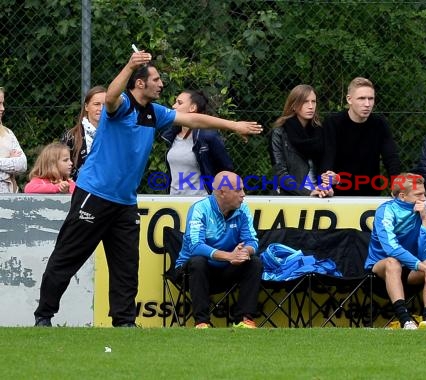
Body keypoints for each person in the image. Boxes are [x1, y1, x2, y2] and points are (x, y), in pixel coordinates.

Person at [33, 51, 262, 327]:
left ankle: (124, 322)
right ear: (139, 83)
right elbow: (111, 95)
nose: (161, 84)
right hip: (94, 196)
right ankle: (44, 316)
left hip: (125, 203)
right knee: (67, 257)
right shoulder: (122, 105)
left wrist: (233, 125)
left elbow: (195, 120)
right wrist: (130, 65)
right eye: (155, 79)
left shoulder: (156, 113)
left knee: (126, 266)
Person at [175, 171, 262, 328]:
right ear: (222, 192)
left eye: (243, 189)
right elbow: (196, 246)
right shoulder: (200, 209)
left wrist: (244, 252)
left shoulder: (243, 209)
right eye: (238, 190)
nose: (243, 195)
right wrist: (229, 256)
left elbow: (252, 241)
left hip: (227, 269)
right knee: (198, 261)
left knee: (254, 262)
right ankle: (201, 322)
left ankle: (243, 319)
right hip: (193, 274)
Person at [364, 173, 426, 329]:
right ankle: (406, 320)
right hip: (382, 268)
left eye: (424, 193)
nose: (424, 199)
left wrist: (425, 220)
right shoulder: (385, 210)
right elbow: (391, 249)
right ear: (402, 196)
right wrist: (423, 267)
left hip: (413, 269)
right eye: (419, 194)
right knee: (394, 262)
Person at [321, 77, 400, 196]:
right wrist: (326, 185)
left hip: (370, 192)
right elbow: (327, 157)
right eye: (362, 98)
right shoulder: (333, 123)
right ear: (349, 99)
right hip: (338, 194)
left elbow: (391, 157)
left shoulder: (379, 123)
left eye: (371, 99)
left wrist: (397, 186)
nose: (367, 104)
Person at [160, 89, 233, 195]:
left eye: (179, 103)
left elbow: (226, 169)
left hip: (201, 202)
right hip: (174, 202)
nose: (174, 106)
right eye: (175, 102)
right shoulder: (171, 136)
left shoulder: (208, 137)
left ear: (193, 108)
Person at [270, 84, 334, 197]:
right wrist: (308, 192)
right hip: (291, 196)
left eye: (313, 101)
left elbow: (327, 167)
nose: (311, 106)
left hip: (319, 194)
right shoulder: (280, 133)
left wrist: (326, 186)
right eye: (305, 102)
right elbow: (280, 175)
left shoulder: (321, 131)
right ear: (293, 105)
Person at [61, 86, 107, 180]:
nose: (101, 108)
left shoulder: (116, 135)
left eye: (105, 105)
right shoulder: (71, 136)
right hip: (77, 189)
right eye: (96, 104)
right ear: (86, 106)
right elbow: (60, 167)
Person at [0, 87, 27, 193]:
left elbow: (22, 164)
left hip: (9, 197)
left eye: (3, 103)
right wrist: (9, 160)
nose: (3, 108)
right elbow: (15, 165)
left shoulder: (8, 133)